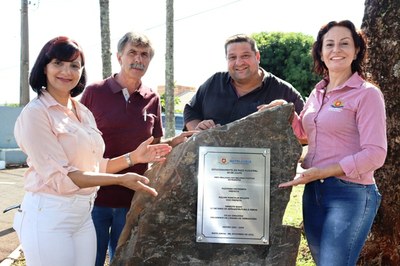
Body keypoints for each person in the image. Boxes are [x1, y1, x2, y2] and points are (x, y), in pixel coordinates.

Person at [12, 36, 172, 266]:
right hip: (49, 215)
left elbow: (97, 165)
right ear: (44, 68)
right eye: (58, 63)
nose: (67, 71)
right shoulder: (36, 113)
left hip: (82, 217)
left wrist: (133, 158)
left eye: (74, 65)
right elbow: (64, 178)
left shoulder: (82, 111)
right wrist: (120, 181)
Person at [266, 20, 387, 265]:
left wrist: (324, 171)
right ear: (321, 52)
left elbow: (375, 154)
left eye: (345, 43)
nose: (336, 50)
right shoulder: (317, 92)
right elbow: (305, 133)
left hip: (351, 193)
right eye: (329, 44)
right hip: (315, 192)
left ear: (356, 50)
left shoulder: (367, 94)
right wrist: (286, 112)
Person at [80, 31, 193, 266]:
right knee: (91, 260)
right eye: (132, 52)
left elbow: (154, 145)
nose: (138, 59)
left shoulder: (152, 98)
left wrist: (175, 142)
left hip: (132, 200)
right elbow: (78, 142)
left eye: (144, 54)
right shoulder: (94, 92)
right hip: (94, 198)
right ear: (119, 56)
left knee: (124, 260)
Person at [183, 33, 305, 131]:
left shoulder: (284, 92)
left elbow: (307, 132)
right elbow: (190, 110)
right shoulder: (214, 82)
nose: (239, 62)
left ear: (257, 57)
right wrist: (198, 132)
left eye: (245, 56)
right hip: (213, 160)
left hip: (264, 161)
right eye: (232, 57)